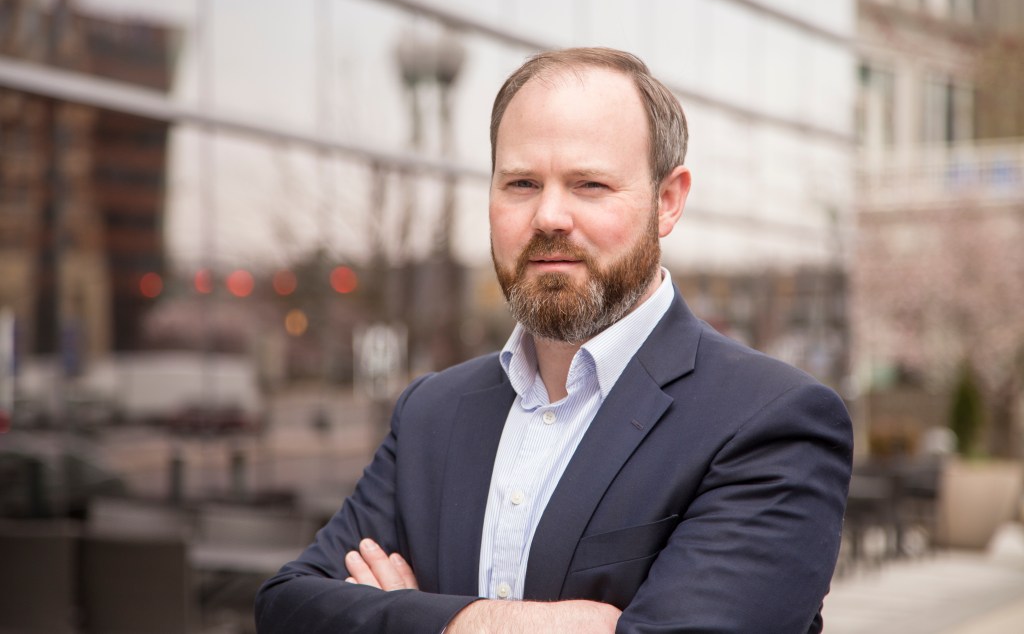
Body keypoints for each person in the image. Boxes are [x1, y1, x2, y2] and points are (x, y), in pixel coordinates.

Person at [255, 47, 853, 633]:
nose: (548, 217)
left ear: (667, 202)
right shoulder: (430, 414)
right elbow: (287, 607)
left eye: (589, 183)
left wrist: (403, 616)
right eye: (521, 183)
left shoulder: (769, 422)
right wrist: (483, 624)